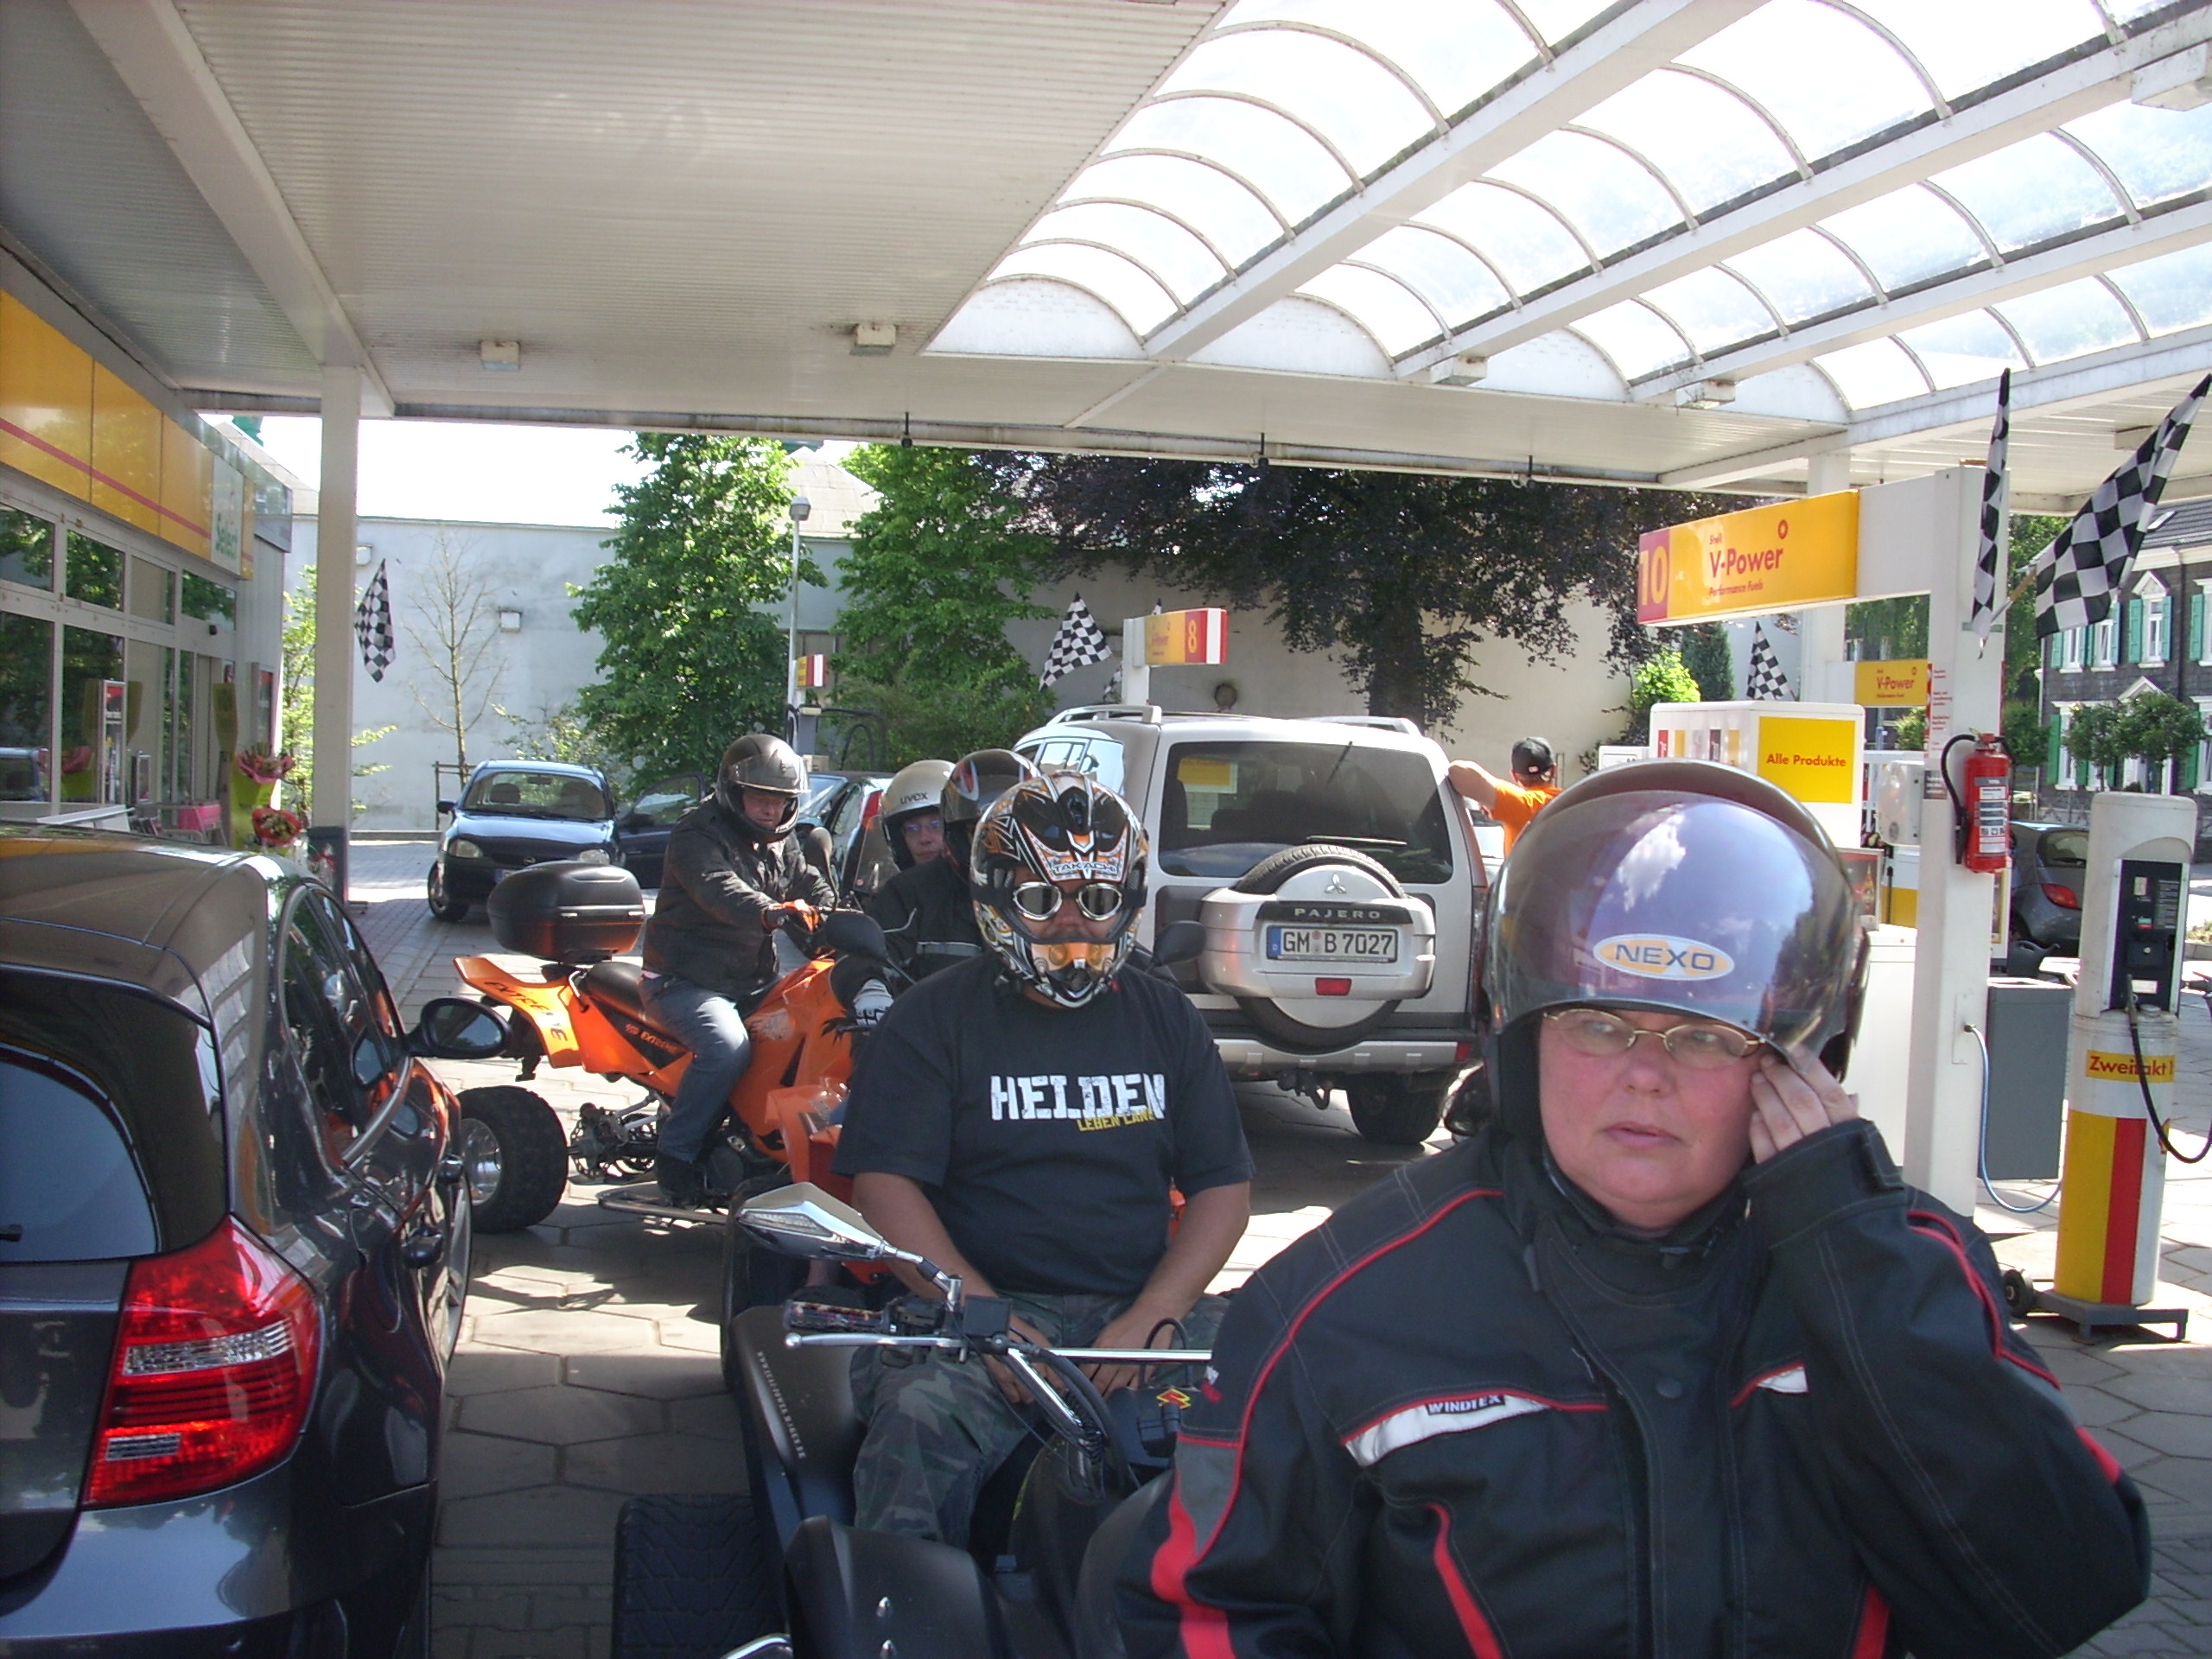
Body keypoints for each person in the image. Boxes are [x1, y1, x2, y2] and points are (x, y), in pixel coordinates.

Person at [1122, 761, 2147, 1659]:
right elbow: (1200, 1608)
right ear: (1524, 1040)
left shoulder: (1904, 1265)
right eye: (1599, 1024)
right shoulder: (1345, 1302)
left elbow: (2063, 1588)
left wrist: (1857, 1269)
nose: (1644, 1076)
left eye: (1703, 1037)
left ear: (1801, 1064)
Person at [833, 769, 1254, 1548]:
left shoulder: (1166, 1016)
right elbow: (885, 1188)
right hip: (979, 1312)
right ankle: (904, 1602)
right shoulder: (932, 1018)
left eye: (1096, 899)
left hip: (1138, 1301)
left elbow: (1223, 1189)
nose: (1072, 921)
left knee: (1288, 1391)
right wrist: (982, 1314)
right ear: (995, 899)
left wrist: (1153, 1316)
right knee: (916, 1426)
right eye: (1040, 899)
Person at [639, 733, 836, 1206]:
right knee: (727, 1049)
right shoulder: (697, 833)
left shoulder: (782, 840)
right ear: (734, 791)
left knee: (811, 1026)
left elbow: (809, 882)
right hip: (683, 981)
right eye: (759, 797)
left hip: (752, 981)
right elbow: (718, 887)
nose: (770, 809)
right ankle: (676, 1156)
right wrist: (771, 912)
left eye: (780, 800)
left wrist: (840, 915)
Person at [867, 748, 1036, 982]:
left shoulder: (1066, 891)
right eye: (979, 832)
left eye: (1008, 832)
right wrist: (870, 988)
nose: (924, 838)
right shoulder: (908, 892)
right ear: (958, 834)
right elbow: (869, 958)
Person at [1447, 734, 1560, 851]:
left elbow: (1457, 771)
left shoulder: (1522, 805)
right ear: (1554, 770)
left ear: (1514, 776)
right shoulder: (1567, 803)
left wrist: (1494, 796)